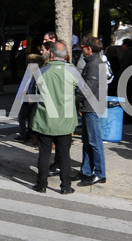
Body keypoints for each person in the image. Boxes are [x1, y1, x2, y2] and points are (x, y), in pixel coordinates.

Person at [31, 41, 79, 194]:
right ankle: (65, 187)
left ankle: (41, 185)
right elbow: (84, 92)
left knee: (44, 154)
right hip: (65, 121)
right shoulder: (73, 71)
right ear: (65, 55)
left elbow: (33, 93)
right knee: (64, 155)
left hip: (45, 120)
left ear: (51, 54)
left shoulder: (42, 71)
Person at [76, 36, 106, 186]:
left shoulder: (94, 64)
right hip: (89, 106)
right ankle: (86, 170)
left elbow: (88, 88)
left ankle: (100, 173)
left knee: (94, 141)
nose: (81, 49)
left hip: (91, 106)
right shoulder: (94, 62)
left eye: (83, 47)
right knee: (88, 141)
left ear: (89, 49)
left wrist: (73, 99)